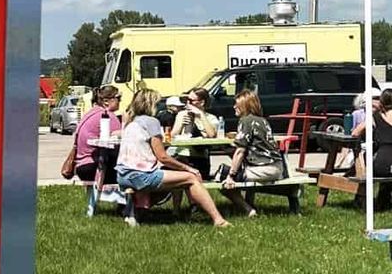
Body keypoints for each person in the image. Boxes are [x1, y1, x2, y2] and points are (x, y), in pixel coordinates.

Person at [116, 88, 229, 227]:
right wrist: (189, 169)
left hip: (123, 174)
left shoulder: (131, 122)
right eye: (157, 104)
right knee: (190, 178)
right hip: (141, 175)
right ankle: (218, 220)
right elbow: (163, 157)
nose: (158, 108)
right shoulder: (151, 122)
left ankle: (136, 213)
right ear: (150, 105)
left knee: (171, 183)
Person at [220, 90, 285, 216]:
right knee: (245, 169)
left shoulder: (245, 121)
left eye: (237, 104)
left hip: (262, 170)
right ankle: (250, 203)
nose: (234, 107)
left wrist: (231, 176)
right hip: (277, 167)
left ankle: (247, 209)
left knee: (221, 176)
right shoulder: (263, 121)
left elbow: (240, 151)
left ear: (245, 106)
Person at [353, 87, 392, 207]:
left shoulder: (375, 117)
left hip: (383, 161)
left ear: (382, 101)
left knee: (370, 165)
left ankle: (367, 201)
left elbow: (355, 132)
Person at [63, 85, 124, 198]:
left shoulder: (90, 113)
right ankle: (132, 207)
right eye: (118, 98)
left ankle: (125, 206)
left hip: (82, 167)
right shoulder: (107, 116)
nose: (120, 101)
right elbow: (121, 141)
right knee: (131, 173)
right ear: (106, 101)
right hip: (95, 168)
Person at [171, 88, 222, 181]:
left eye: (191, 100)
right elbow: (172, 136)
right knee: (176, 183)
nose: (188, 103)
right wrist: (181, 124)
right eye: (186, 100)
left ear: (202, 102)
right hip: (182, 155)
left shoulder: (210, 118)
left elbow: (212, 135)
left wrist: (200, 115)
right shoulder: (182, 114)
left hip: (200, 157)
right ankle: (176, 196)